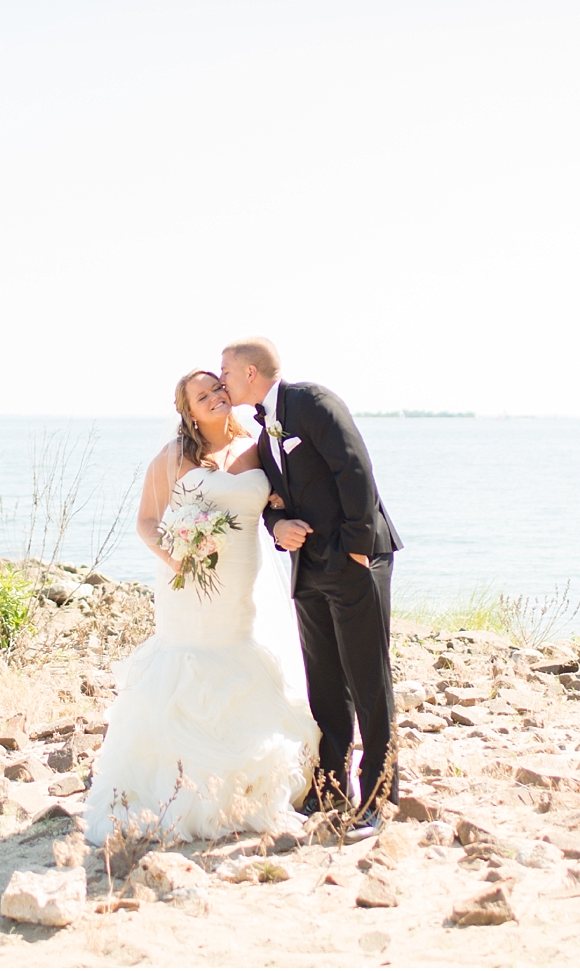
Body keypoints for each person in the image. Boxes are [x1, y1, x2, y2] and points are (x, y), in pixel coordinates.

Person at [82, 370, 319, 846]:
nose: (214, 398)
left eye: (218, 389)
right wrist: (175, 555)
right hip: (186, 583)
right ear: (188, 410)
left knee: (237, 650)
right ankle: (178, 785)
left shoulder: (256, 446)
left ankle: (246, 779)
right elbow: (147, 522)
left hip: (240, 580)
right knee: (187, 659)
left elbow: (280, 500)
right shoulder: (174, 458)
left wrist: (277, 508)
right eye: (202, 395)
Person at [221, 335, 402, 837]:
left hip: (354, 558)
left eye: (227, 372)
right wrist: (278, 529)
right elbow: (276, 503)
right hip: (309, 567)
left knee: (367, 676)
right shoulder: (264, 434)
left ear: (252, 373)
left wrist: (358, 548)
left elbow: (355, 467)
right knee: (324, 682)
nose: (222, 380)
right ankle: (330, 789)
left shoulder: (313, 403)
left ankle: (377, 797)